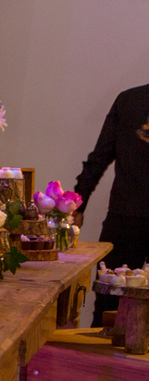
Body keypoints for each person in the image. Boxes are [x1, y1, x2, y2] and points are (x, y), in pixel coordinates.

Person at [74, 84, 149, 326]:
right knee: (109, 297)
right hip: (126, 215)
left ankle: (98, 362)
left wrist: (78, 204)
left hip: (126, 216)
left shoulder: (130, 100)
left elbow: (100, 156)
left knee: (109, 301)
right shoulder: (128, 100)